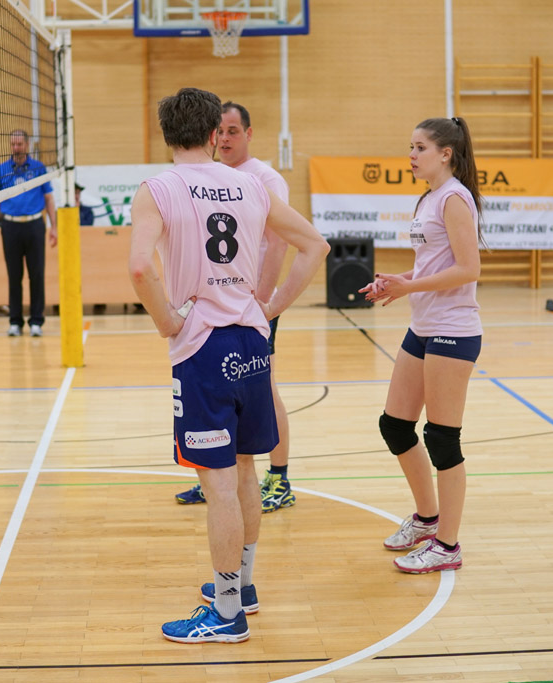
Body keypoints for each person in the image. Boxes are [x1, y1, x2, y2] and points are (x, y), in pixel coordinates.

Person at [128, 87, 327, 643]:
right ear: (216, 133)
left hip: (203, 348)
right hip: (253, 342)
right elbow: (315, 246)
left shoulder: (157, 188)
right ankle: (243, 587)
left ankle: (226, 614)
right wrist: (271, 307)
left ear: (166, 134)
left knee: (217, 484)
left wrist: (167, 322)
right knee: (244, 472)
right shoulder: (252, 184)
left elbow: (141, 267)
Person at [359, 116, 483, 574]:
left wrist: (409, 287)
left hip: (454, 328)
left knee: (442, 438)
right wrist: (398, 281)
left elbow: (468, 269)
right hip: (424, 325)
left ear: (445, 153)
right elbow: (434, 263)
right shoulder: (429, 197)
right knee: (395, 425)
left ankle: (447, 545)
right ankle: (427, 519)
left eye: (420, 147)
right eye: (410, 147)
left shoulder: (454, 197)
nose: (411, 155)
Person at [175, 101, 295, 514]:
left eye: (233, 131)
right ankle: (217, 475)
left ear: (249, 134)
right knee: (215, 390)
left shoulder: (264, 178)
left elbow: (279, 242)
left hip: (251, 306)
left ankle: (279, 477)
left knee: (265, 387)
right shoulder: (207, 177)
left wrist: (264, 301)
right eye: (221, 132)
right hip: (213, 307)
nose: (225, 139)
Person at [0, 130, 58, 337]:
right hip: (10, 227)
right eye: (13, 144)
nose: (16, 148)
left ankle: (36, 321)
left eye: (19, 144)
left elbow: (49, 199)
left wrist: (54, 227)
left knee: (37, 275)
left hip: (34, 225)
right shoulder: (1, 170)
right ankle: (15, 322)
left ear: (27, 145)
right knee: (14, 276)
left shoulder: (38, 168)